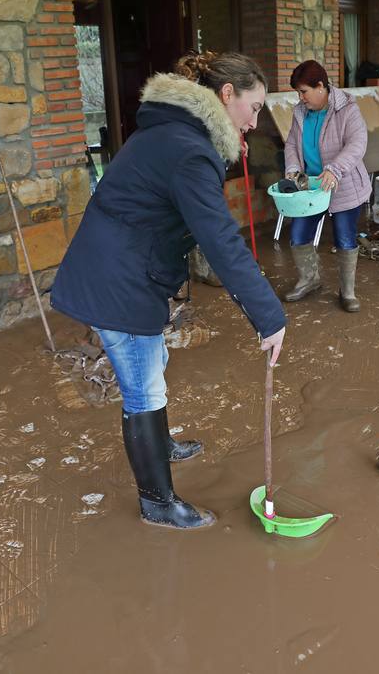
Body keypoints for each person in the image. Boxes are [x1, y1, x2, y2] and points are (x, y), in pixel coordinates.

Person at [52, 51, 287, 529]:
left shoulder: (177, 133)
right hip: (118, 279)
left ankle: (160, 445)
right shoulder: (188, 149)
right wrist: (269, 315)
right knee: (143, 388)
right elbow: (219, 238)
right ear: (227, 95)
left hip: (122, 268)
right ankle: (157, 502)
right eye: (254, 106)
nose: (256, 119)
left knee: (153, 363)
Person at [281, 59, 372, 312]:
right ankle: (309, 280)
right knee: (299, 235)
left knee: (344, 237)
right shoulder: (300, 112)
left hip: (342, 185)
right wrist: (292, 168)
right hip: (310, 187)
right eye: (299, 93)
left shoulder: (348, 109)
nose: (301, 98)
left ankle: (348, 291)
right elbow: (291, 144)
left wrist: (334, 168)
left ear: (320, 86)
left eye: (304, 91)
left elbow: (357, 143)